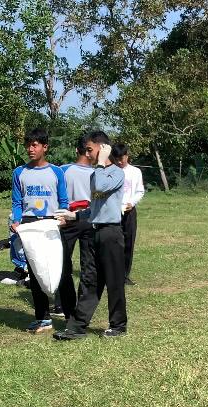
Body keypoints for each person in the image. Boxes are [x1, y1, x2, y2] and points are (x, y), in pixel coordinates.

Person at [54, 130, 126, 340]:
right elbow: (95, 206)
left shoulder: (115, 173)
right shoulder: (98, 173)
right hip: (94, 232)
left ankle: (118, 325)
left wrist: (103, 162)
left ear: (104, 149)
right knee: (89, 280)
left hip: (110, 233)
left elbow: (100, 186)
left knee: (113, 281)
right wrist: (74, 216)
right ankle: (76, 327)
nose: (88, 154)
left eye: (90, 149)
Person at [10, 128, 68, 334]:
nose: (30, 149)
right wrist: (16, 221)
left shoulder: (56, 172)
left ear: (45, 147)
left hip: (52, 223)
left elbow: (63, 201)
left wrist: (63, 217)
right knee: (34, 270)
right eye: (28, 145)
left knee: (57, 266)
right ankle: (42, 317)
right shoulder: (19, 173)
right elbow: (17, 202)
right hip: (29, 224)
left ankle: (65, 311)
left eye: (34, 145)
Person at [47, 134, 96, 335]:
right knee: (88, 268)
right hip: (90, 218)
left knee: (63, 265)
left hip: (68, 219)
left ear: (77, 150)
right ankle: (78, 313)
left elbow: (57, 195)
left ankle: (63, 307)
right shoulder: (98, 172)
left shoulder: (63, 170)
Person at [114, 143, 145, 285]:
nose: (120, 162)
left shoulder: (135, 172)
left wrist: (132, 203)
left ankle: (125, 275)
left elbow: (140, 191)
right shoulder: (111, 171)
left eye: (122, 158)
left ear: (127, 156)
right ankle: (113, 273)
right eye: (117, 159)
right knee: (114, 243)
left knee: (128, 242)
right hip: (114, 212)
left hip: (129, 211)